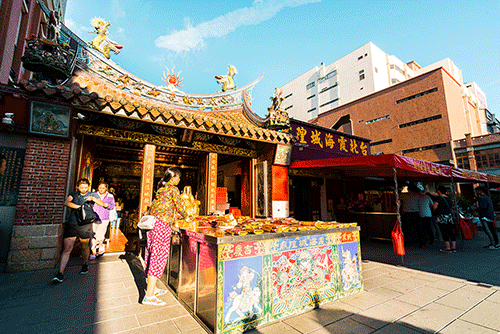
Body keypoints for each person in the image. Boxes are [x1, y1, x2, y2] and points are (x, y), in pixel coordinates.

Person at [143, 167, 190, 306]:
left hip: (154, 225)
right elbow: (180, 206)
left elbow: (158, 207)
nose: (180, 179)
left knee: (151, 255)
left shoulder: (161, 189)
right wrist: (187, 216)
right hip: (162, 226)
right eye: (178, 177)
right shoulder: (173, 189)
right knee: (158, 258)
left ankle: (153, 288)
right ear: (173, 177)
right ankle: (149, 295)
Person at [52, 178, 106, 283]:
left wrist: (92, 199)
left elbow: (101, 203)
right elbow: (67, 202)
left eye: (86, 187)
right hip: (73, 223)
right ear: (78, 187)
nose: (84, 189)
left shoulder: (93, 195)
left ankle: (85, 263)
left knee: (84, 246)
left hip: (85, 224)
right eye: (82, 187)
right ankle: (60, 273)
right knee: (67, 248)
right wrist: (79, 207)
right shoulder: (74, 194)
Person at [90, 181, 115, 260]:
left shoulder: (110, 196)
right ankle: (93, 252)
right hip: (93, 217)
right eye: (100, 188)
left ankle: (101, 245)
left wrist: (107, 205)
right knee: (92, 235)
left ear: (106, 188)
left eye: (103, 188)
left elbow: (112, 206)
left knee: (100, 235)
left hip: (104, 217)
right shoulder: (94, 195)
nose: (101, 189)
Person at [433, 186, 456, 252]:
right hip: (449, 216)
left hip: (441, 216)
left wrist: (435, 209)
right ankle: (453, 246)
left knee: (444, 231)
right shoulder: (448, 199)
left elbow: (435, 207)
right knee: (451, 231)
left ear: (439, 190)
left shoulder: (438, 198)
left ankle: (447, 247)